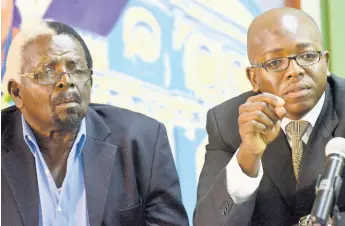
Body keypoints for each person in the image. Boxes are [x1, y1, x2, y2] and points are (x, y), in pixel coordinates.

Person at [1, 21, 189, 226]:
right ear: (17, 93)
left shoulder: (142, 141)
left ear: (90, 81)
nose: (67, 81)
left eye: (77, 70)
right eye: (47, 72)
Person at [194, 7, 345, 226]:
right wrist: (248, 155)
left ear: (325, 62)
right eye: (275, 62)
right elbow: (209, 222)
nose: (295, 70)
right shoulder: (228, 123)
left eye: (307, 56)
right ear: (253, 78)